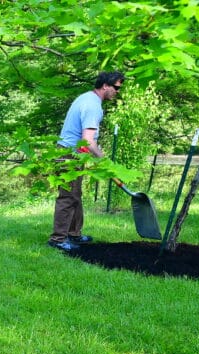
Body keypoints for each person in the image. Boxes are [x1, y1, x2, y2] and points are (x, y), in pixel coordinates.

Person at [49, 70, 125, 252]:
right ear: (105, 85)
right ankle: (58, 239)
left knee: (75, 195)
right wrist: (104, 161)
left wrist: (92, 154)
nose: (117, 91)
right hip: (69, 155)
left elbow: (86, 142)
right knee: (67, 196)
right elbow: (88, 140)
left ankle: (74, 234)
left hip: (73, 153)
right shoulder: (93, 106)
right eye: (116, 87)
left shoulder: (86, 98)